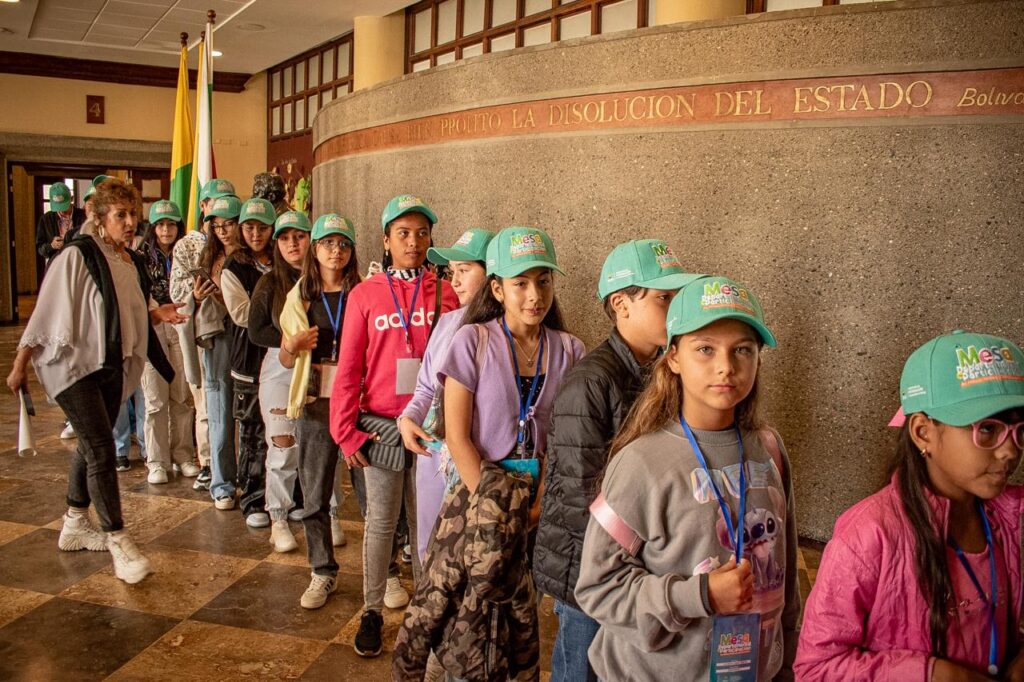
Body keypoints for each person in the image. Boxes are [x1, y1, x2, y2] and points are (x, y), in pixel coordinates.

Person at [574, 275, 799, 682]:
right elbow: (597, 587)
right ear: (673, 358)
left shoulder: (769, 450)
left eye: (742, 350)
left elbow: (786, 576)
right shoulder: (640, 462)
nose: (725, 367)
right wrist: (698, 595)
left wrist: (785, 666)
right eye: (705, 350)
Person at [393, 226, 586, 680]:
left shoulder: (569, 350)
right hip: (477, 498)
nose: (534, 295)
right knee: (472, 616)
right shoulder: (471, 341)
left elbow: (566, 439)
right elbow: (457, 436)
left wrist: (537, 506)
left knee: (521, 612)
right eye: (520, 283)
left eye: (543, 281)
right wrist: (496, 504)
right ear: (497, 288)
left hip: (538, 503)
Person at [795, 331, 1024, 681]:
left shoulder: (1013, 520)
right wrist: (932, 675)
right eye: (987, 429)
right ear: (922, 432)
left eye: (1019, 431)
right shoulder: (868, 536)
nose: (1010, 451)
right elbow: (817, 669)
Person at [6, 178, 186, 584]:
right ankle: (118, 539)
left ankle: (73, 522)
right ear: (99, 217)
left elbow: (128, 307)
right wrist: (20, 365)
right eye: (120, 215)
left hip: (111, 365)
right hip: (75, 367)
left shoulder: (129, 260)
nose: (129, 223)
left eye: (132, 215)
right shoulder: (77, 255)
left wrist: (158, 313)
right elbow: (45, 311)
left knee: (92, 443)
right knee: (102, 447)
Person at [534, 239, 697, 682]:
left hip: (629, 563)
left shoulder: (662, 369)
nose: (677, 309)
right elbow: (582, 492)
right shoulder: (592, 383)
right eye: (665, 298)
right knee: (580, 669)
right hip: (588, 567)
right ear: (621, 304)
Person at [330, 194, 458, 658]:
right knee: (381, 523)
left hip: (432, 427)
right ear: (385, 240)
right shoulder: (365, 295)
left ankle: (427, 610)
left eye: (422, 233)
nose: (414, 242)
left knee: (429, 523)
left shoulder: (446, 293)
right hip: (381, 426)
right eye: (403, 233)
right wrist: (345, 432)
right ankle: (370, 611)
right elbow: (348, 368)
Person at [398, 227, 495, 564]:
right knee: (430, 549)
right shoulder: (447, 323)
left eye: (465, 271)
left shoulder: (505, 332)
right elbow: (426, 384)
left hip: (482, 461)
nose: (454, 282)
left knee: (477, 557)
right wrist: (409, 416)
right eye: (452, 272)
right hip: (435, 455)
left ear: (493, 274)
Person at [278, 213, 360, 609]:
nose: (336, 251)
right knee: (313, 492)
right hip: (316, 403)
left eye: (343, 244)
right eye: (328, 243)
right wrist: (293, 345)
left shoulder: (363, 292)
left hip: (361, 402)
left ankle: (389, 572)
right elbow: (284, 358)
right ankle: (322, 571)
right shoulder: (300, 298)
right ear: (315, 249)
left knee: (372, 492)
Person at [248, 210, 311, 551]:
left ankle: (325, 514)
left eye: (298, 236)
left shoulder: (327, 278)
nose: (292, 244)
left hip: (317, 367)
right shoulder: (270, 282)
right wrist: (290, 343)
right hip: (280, 366)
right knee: (283, 446)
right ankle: (279, 519)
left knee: (318, 448)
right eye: (285, 238)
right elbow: (256, 330)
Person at [170, 178, 236, 491]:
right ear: (204, 208)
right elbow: (177, 290)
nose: (223, 225)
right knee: (209, 405)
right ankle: (210, 464)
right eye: (215, 206)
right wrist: (195, 294)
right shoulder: (189, 246)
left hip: (240, 332)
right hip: (206, 331)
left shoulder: (245, 244)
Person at [220, 198, 275, 526]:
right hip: (248, 361)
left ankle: (282, 497)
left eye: (263, 227)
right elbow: (242, 315)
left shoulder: (283, 259)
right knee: (253, 432)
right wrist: (283, 314)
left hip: (281, 359)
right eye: (249, 227)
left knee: (283, 430)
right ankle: (253, 499)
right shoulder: (233, 267)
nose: (256, 233)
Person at [139, 200, 199, 484]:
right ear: (153, 228)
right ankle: (157, 461)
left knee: (182, 396)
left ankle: (183, 455)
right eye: (161, 224)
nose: (166, 230)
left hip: (183, 325)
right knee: (155, 398)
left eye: (171, 224)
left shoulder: (188, 252)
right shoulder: (139, 257)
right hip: (152, 327)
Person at [196, 194, 241, 510]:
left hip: (249, 336)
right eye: (217, 225)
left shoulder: (254, 257)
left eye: (229, 224)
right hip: (218, 337)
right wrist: (199, 297)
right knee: (220, 411)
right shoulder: (208, 256)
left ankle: (254, 481)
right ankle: (222, 483)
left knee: (254, 416)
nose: (223, 231)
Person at [36, 181, 86, 268]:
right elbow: (40, 248)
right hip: (56, 266)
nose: (61, 211)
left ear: (71, 199)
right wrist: (51, 246)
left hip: (79, 264)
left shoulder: (83, 216)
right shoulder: (46, 219)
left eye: (64, 207)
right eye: (57, 207)